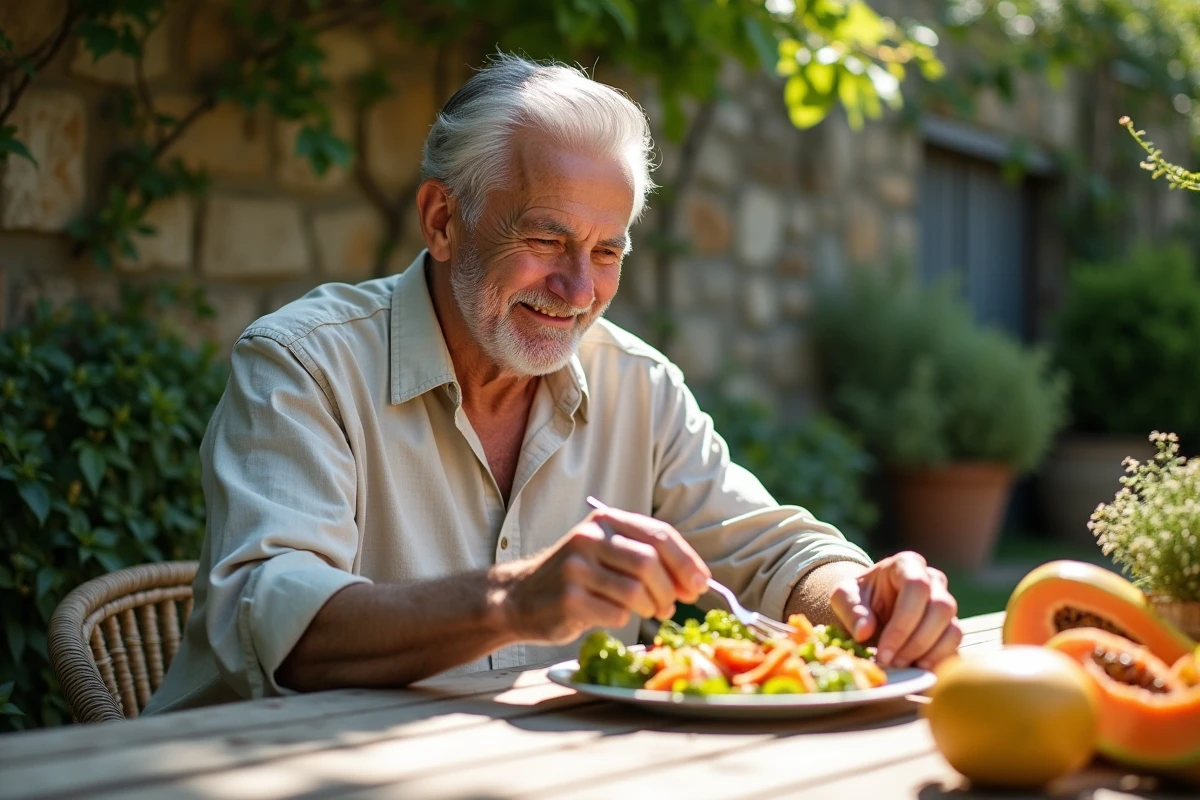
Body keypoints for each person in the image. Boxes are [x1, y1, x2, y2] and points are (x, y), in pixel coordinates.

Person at [144, 54, 961, 714]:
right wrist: (515, 600)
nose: (578, 289)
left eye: (607, 251)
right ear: (441, 220)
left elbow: (774, 551)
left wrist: (860, 597)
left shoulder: (639, 385)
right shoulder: (302, 364)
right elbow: (279, 618)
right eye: (546, 237)